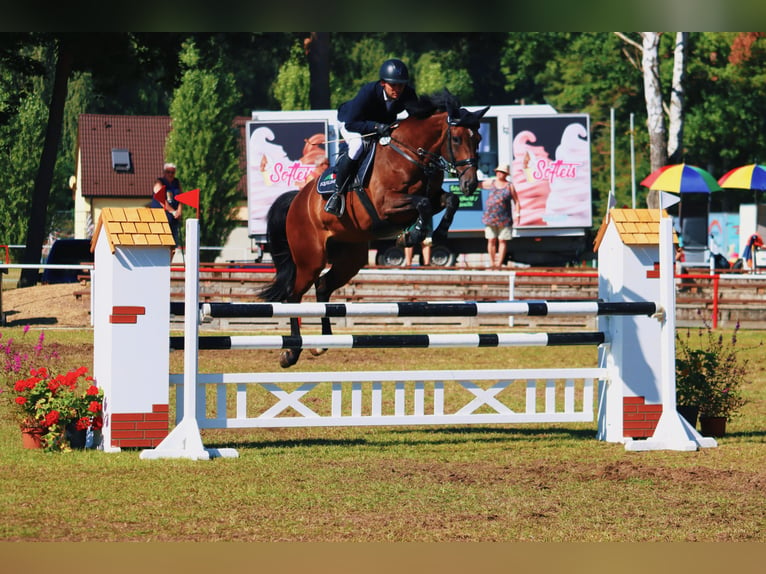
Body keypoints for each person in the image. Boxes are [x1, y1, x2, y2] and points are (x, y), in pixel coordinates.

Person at [324, 58, 418, 217]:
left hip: (378, 125)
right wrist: (376, 127)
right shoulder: (368, 92)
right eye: (393, 85)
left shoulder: (407, 93)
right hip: (350, 122)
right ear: (383, 83)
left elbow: (417, 118)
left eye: (401, 85)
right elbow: (351, 124)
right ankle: (337, 193)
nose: (397, 89)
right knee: (357, 147)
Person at [481, 164, 521, 269]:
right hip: (490, 217)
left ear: (505, 174)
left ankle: (499, 263)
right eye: (498, 171)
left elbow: (516, 201)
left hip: (505, 218)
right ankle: (492, 262)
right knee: (491, 240)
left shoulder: (510, 186)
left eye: (502, 172)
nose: (499, 174)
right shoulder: (491, 183)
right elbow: (478, 185)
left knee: (502, 240)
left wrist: (518, 214)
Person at [150, 162, 183, 257]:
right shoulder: (159, 182)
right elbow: (161, 200)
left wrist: (179, 211)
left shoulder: (177, 183)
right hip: (161, 219)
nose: (170, 174)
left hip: (173, 220)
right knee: (161, 245)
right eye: (168, 172)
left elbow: (181, 198)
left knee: (173, 246)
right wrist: (173, 211)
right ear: (164, 172)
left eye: (172, 172)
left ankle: (169, 266)